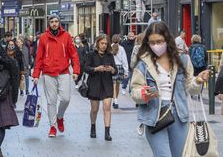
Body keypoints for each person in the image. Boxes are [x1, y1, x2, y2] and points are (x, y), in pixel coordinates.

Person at [131, 22, 210, 156]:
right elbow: (135, 91)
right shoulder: (143, 63)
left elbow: (191, 88)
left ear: (167, 39)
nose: (156, 45)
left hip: (179, 114)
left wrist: (198, 81)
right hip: (154, 115)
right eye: (152, 42)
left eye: (159, 41)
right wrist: (144, 94)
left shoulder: (183, 59)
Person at [32, 14, 80, 137]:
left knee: (66, 99)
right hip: (48, 73)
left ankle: (60, 117)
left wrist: (76, 71)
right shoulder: (43, 38)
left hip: (63, 72)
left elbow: (74, 55)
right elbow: (39, 58)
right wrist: (36, 75)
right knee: (51, 101)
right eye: (52, 21)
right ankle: (52, 126)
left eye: (56, 21)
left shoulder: (67, 36)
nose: (54, 23)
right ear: (49, 23)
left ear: (59, 23)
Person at [83, 34, 117, 141]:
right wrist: (96, 69)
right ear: (98, 43)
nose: (104, 45)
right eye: (102, 43)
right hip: (95, 84)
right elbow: (85, 68)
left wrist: (112, 70)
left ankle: (107, 132)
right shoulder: (91, 55)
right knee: (94, 109)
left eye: (106, 44)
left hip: (107, 84)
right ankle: (93, 127)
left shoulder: (110, 55)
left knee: (107, 107)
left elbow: (115, 71)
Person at [111, 34, 129, 109]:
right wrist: (126, 71)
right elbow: (124, 60)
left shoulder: (109, 48)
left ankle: (114, 100)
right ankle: (116, 99)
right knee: (118, 84)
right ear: (119, 40)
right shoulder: (121, 48)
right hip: (120, 67)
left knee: (113, 85)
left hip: (112, 67)